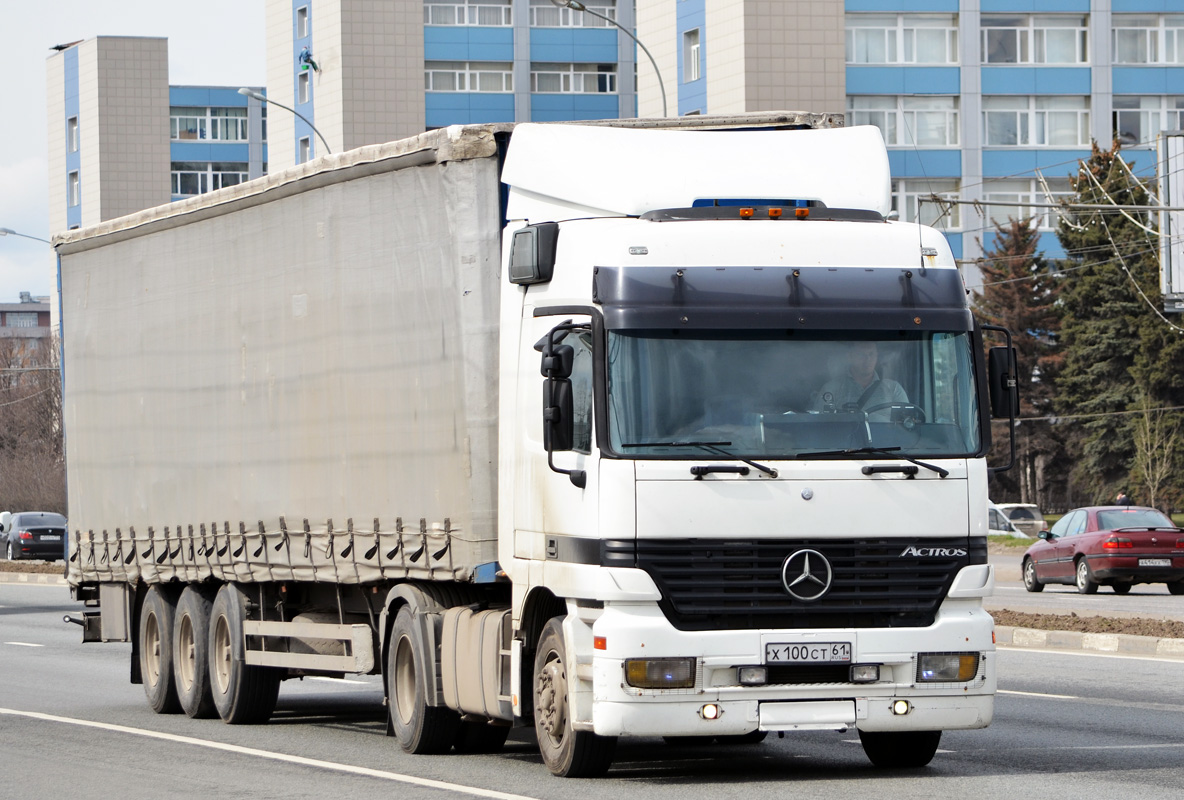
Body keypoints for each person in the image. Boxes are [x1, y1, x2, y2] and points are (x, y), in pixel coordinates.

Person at [813, 341, 908, 422]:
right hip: (845, 442)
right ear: (850, 357)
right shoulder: (832, 389)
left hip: (886, 443)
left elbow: (907, 425)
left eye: (871, 354)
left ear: (876, 357)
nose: (867, 359)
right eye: (861, 355)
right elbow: (818, 423)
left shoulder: (893, 389)